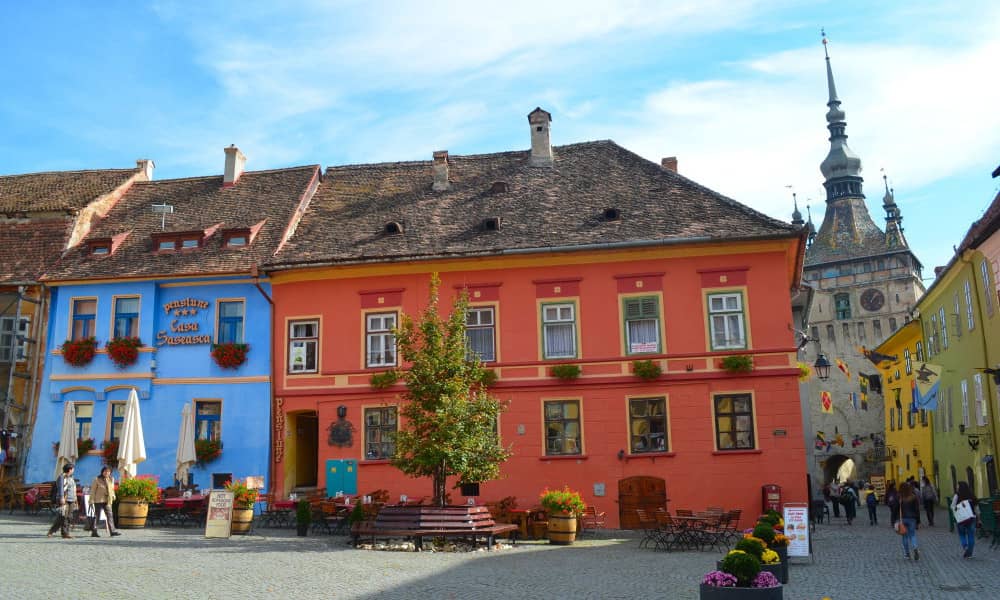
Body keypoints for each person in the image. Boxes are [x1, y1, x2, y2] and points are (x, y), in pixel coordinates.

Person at [89, 466, 122, 538]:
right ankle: (94, 532)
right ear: (102, 472)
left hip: (107, 500)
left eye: (108, 471)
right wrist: (91, 500)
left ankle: (112, 531)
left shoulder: (111, 479)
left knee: (110, 515)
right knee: (97, 516)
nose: (107, 473)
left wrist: (113, 496)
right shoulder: (97, 479)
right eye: (105, 471)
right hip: (98, 500)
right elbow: (93, 491)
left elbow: (112, 489)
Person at [46, 463, 77, 539]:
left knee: (69, 517)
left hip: (71, 499)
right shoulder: (61, 477)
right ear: (69, 469)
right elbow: (60, 488)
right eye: (73, 469)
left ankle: (65, 533)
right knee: (62, 517)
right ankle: (52, 531)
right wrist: (62, 497)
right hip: (64, 499)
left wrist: (75, 499)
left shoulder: (71, 477)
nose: (73, 470)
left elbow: (73, 488)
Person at [951, 481, 978, 558]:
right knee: (971, 535)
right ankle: (970, 553)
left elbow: (952, 506)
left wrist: (957, 506)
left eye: (957, 485)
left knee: (962, 534)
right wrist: (978, 518)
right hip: (971, 517)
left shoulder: (957, 495)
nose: (956, 486)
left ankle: (965, 547)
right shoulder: (972, 495)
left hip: (961, 518)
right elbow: (976, 508)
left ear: (960, 487)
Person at [898, 482, 921, 560]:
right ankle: (915, 548)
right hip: (912, 518)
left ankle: (907, 554)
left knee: (904, 537)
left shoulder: (901, 498)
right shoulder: (913, 497)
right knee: (912, 535)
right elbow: (917, 510)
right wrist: (918, 520)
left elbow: (897, 509)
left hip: (904, 519)